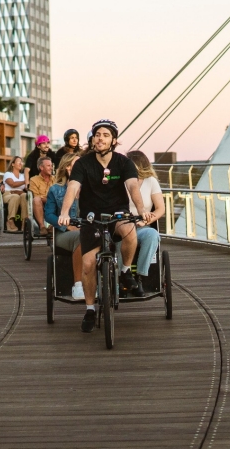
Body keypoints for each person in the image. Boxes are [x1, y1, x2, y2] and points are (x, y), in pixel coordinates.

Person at [58, 118, 150, 333]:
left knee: (129, 231)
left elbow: (133, 187)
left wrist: (141, 209)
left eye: (106, 135)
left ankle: (126, 271)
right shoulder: (83, 164)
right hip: (92, 218)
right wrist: (64, 213)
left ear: (114, 140)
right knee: (89, 264)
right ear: (92, 139)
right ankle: (90, 309)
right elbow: (73, 187)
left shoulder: (123, 163)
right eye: (97, 134)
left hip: (118, 213)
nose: (100, 138)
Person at [45, 154, 84, 299]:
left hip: (89, 229)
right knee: (82, 237)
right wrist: (67, 226)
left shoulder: (90, 188)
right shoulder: (56, 190)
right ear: (68, 167)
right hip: (64, 233)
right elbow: (49, 215)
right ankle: (78, 285)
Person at [126, 150, 165, 294]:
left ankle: (140, 277)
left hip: (142, 223)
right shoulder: (121, 180)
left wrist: (147, 220)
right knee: (119, 238)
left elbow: (160, 208)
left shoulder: (151, 181)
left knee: (152, 235)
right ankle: (122, 276)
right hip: (123, 222)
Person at [28, 156, 56, 235]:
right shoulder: (34, 180)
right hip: (40, 204)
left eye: (51, 166)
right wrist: (48, 199)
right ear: (41, 167)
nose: (51, 168)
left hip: (53, 204)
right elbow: (36, 196)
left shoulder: (55, 179)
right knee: (36, 199)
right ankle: (42, 227)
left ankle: (52, 226)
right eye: (48, 166)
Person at [1, 155, 28, 233]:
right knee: (15, 196)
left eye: (21, 162)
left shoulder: (23, 175)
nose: (21, 164)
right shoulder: (8, 174)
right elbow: (12, 184)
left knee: (25, 196)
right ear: (13, 164)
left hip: (20, 193)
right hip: (8, 194)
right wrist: (25, 181)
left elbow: (26, 188)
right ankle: (10, 221)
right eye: (19, 162)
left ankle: (24, 221)